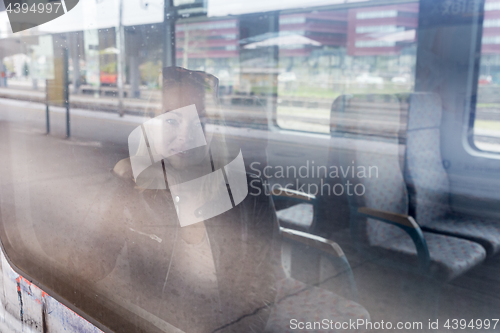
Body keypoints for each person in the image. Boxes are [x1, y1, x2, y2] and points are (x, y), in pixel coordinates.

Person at [112, 66, 281, 332]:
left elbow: (261, 293)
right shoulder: (132, 189)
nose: (185, 136)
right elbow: (90, 269)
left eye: (200, 123)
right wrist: (115, 187)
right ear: (150, 123)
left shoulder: (249, 195)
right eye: (171, 120)